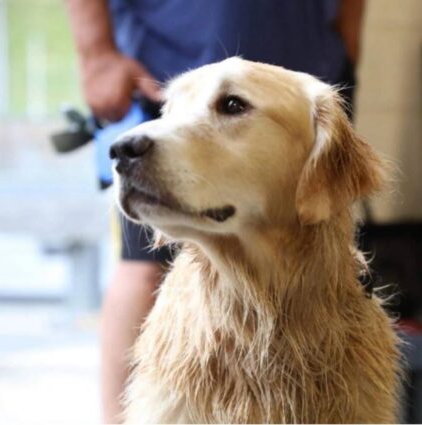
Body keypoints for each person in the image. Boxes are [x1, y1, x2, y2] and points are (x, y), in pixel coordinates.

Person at [65, 0, 365, 422]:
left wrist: (345, 44)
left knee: (314, 244)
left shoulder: (317, 106)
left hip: (307, 55)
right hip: (167, 55)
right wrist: (96, 53)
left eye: (231, 107)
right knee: (145, 268)